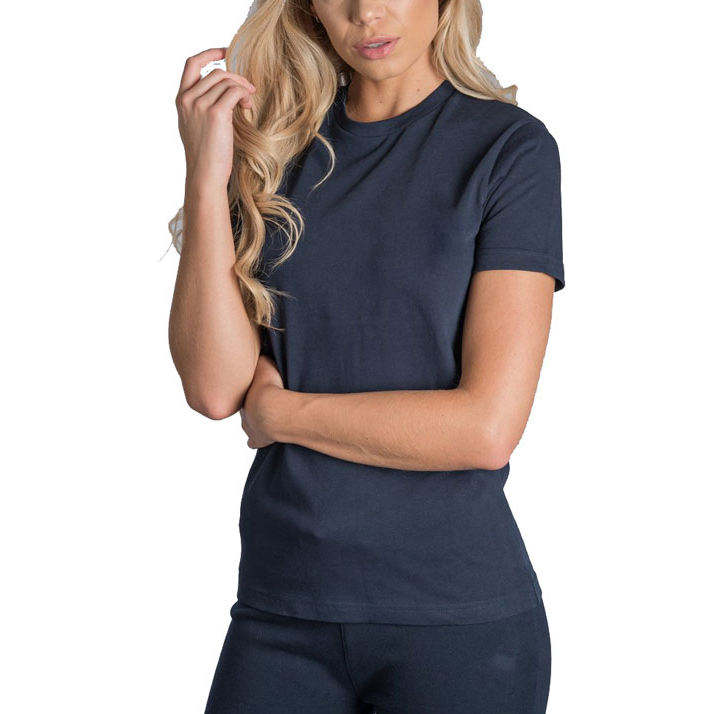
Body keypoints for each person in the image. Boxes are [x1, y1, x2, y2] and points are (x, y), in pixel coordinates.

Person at [168, 0, 564, 710]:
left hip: (457, 625)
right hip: (280, 609)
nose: (366, 12)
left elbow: (485, 428)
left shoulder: (508, 149)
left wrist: (283, 413)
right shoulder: (277, 152)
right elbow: (214, 388)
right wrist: (206, 175)